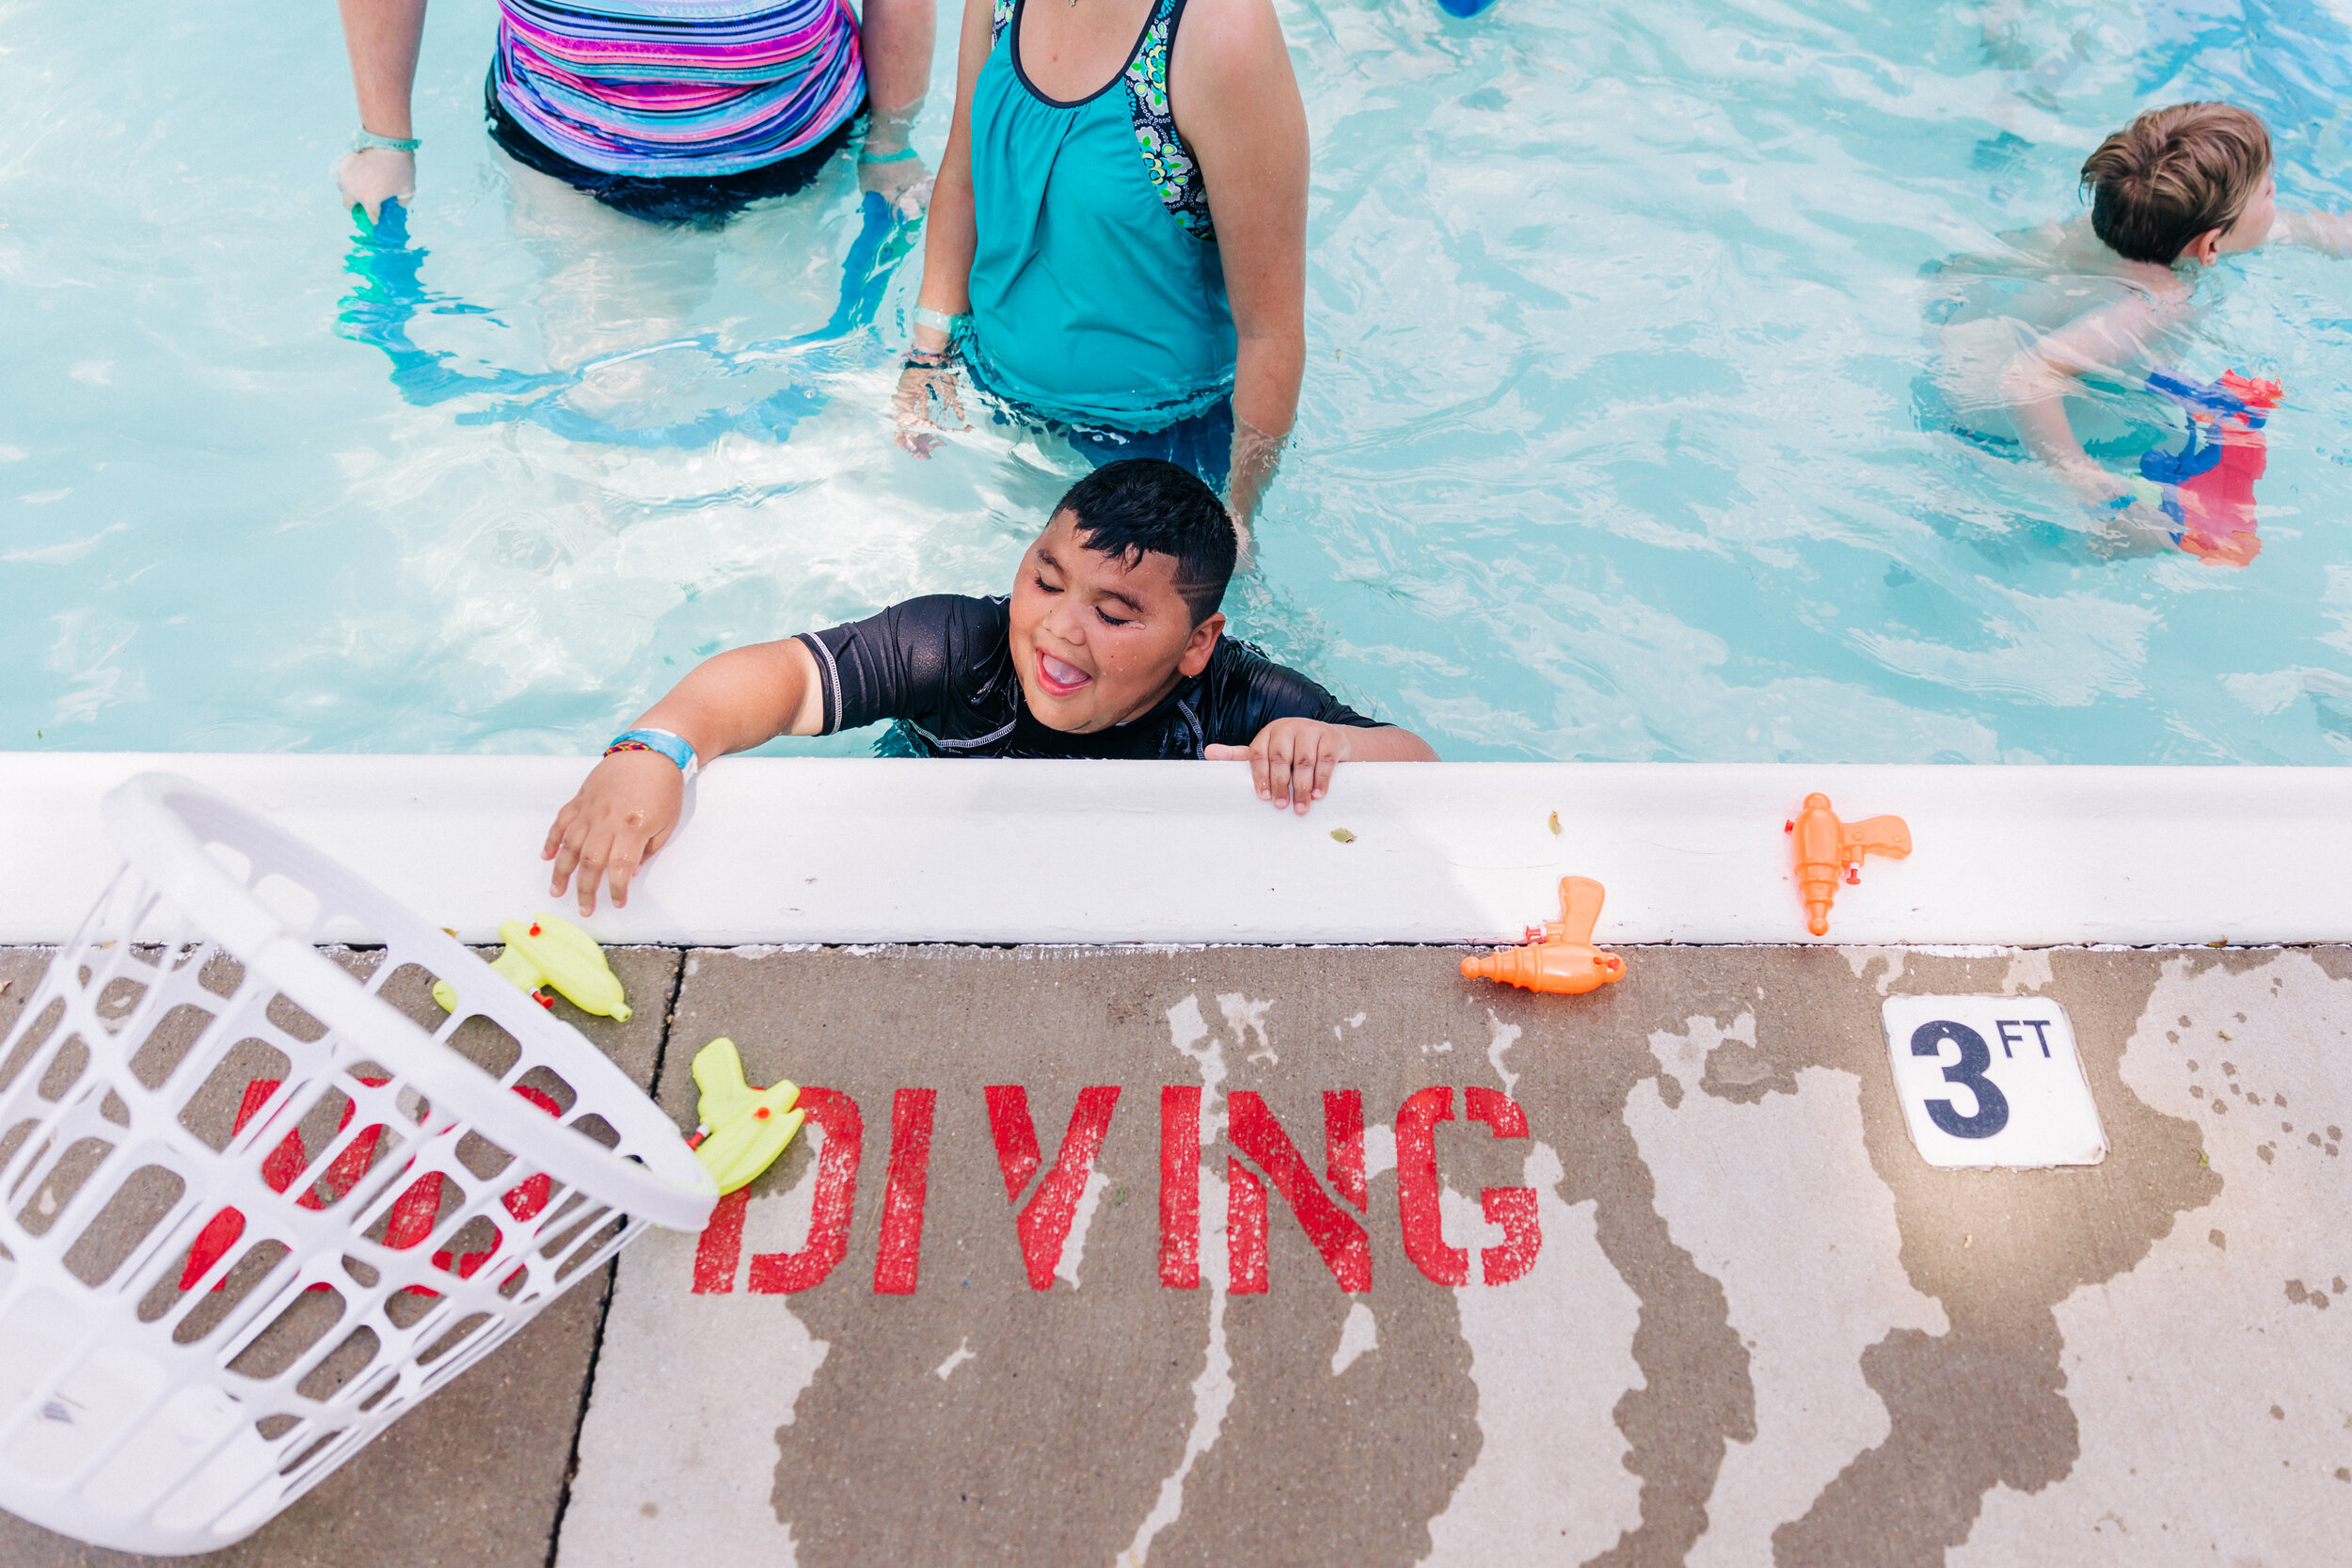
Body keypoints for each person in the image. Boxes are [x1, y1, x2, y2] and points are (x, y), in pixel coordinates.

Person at [542, 459, 1437, 913]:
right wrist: (654, 746)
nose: (1057, 628)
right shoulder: (960, 647)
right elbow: (779, 676)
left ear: (1197, 642)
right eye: (1047, 579)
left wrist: (1331, 745)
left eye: (1115, 614)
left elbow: (1422, 766)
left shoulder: (1233, 694)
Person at [886, 0, 1306, 518]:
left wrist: (1237, 518)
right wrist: (927, 358)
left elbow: (1271, 331)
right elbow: (962, 180)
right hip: (984, 391)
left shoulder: (1222, 29)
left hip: (1157, 448)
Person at [1981, 103, 2350, 548]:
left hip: (1986, 348)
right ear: (2211, 247)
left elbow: (2305, 230)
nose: (2276, 190)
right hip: (1998, 440)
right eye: (2268, 192)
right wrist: (2093, 488)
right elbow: (2025, 376)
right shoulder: (2157, 302)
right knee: (2156, 536)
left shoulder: (2100, 226)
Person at [331, 0, 937, 227]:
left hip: (794, 137)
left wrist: (891, 141)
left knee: (801, 393)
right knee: (606, 400)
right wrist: (387, 142)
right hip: (571, 153)